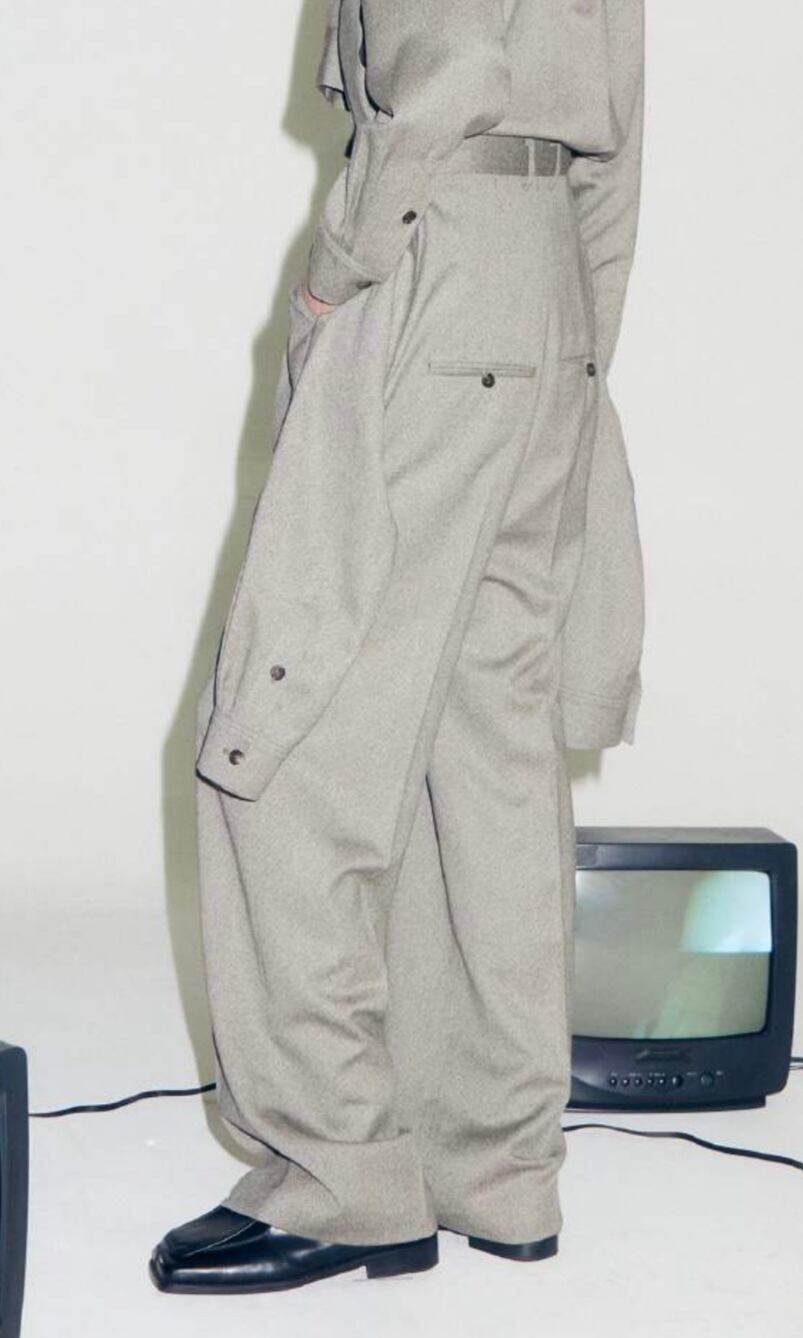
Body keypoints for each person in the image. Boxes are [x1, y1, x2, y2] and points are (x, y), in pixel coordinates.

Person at [150, 0, 646, 1294]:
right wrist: (574, 350)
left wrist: (339, 272)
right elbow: (619, 147)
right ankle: (497, 1168)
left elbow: (450, 74)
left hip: (434, 275)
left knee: (291, 746)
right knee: (487, 760)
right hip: (548, 296)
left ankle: (342, 1181)